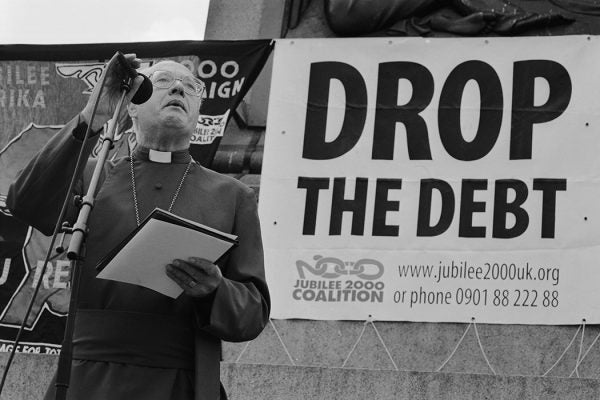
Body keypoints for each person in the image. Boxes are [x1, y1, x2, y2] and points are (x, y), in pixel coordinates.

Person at [7, 53, 270, 400]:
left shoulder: (233, 195)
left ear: (198, 113)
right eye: (162, 81)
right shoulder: (92, 174)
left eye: (191, 87)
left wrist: (215, 290)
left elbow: (252, 312)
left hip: (180, 382)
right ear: (131, 106)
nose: (178, 87)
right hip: (88, 379)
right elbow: (26, 202)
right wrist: (93, 115)